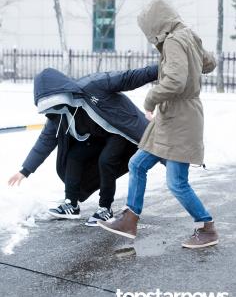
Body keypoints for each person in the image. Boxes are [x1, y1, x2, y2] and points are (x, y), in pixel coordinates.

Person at [97, 0, 219, 249]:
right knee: (137, 163)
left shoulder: (174, 41)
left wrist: (150, 98)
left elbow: (175, 80)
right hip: (174, 117)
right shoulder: (186, 36)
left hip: (180, 118)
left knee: (176, 182)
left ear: (156, 24)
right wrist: (193, 49)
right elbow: (210, 63)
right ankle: (129, 219)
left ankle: (206, 227)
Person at [8, 65, 158, 226]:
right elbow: (45, 141)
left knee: (106, 160)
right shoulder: (57, 114)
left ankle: (105, 208)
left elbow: (129, 77)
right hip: (98, 138)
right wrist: (25, 170)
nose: (54, 108)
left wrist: (163, 67)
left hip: (120, 131)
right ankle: (71, 205)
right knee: (74, 155)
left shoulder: (93, 86)